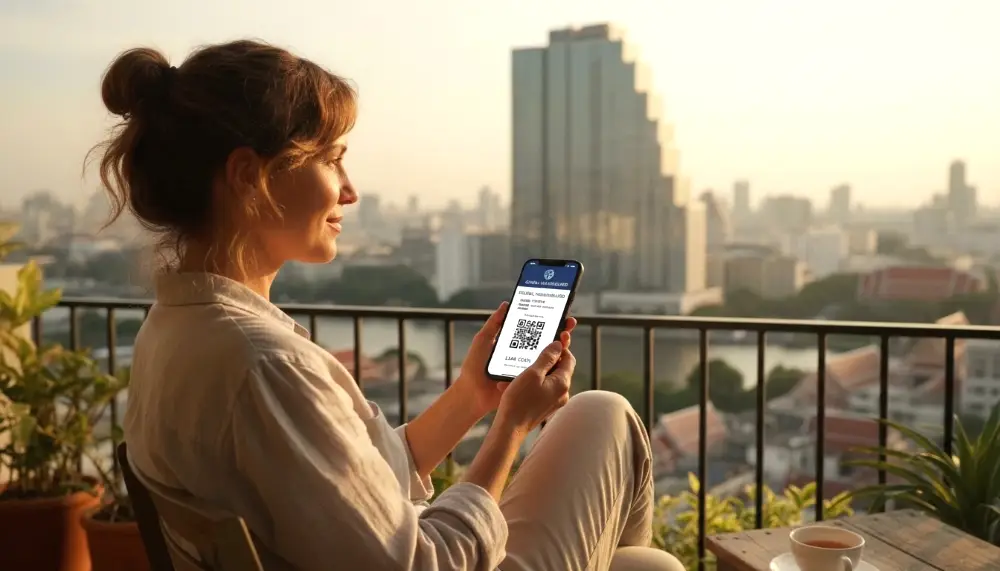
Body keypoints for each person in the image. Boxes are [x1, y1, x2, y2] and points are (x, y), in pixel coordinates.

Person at [95, 40, 684, 571]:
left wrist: (472, 398)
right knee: (607, 417)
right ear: (251, 177)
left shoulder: (176, 329)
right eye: (330, 158)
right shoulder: (264, 365)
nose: (349, 190)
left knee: (644, 557)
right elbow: (418, 563)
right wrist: (510, 427)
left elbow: (352, 482)